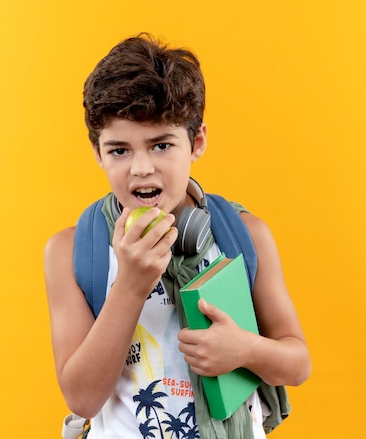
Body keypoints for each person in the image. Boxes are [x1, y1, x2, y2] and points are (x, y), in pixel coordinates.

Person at [44, 32, 311, 439]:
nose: (141, 168)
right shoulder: (72, 251)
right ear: (97, 152)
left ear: (197, 141)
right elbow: (81, 399)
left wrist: (246, 350)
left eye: (161, 145)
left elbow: (298, 363)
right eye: (119, 150)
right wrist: (130, 285)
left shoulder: (245, 235)